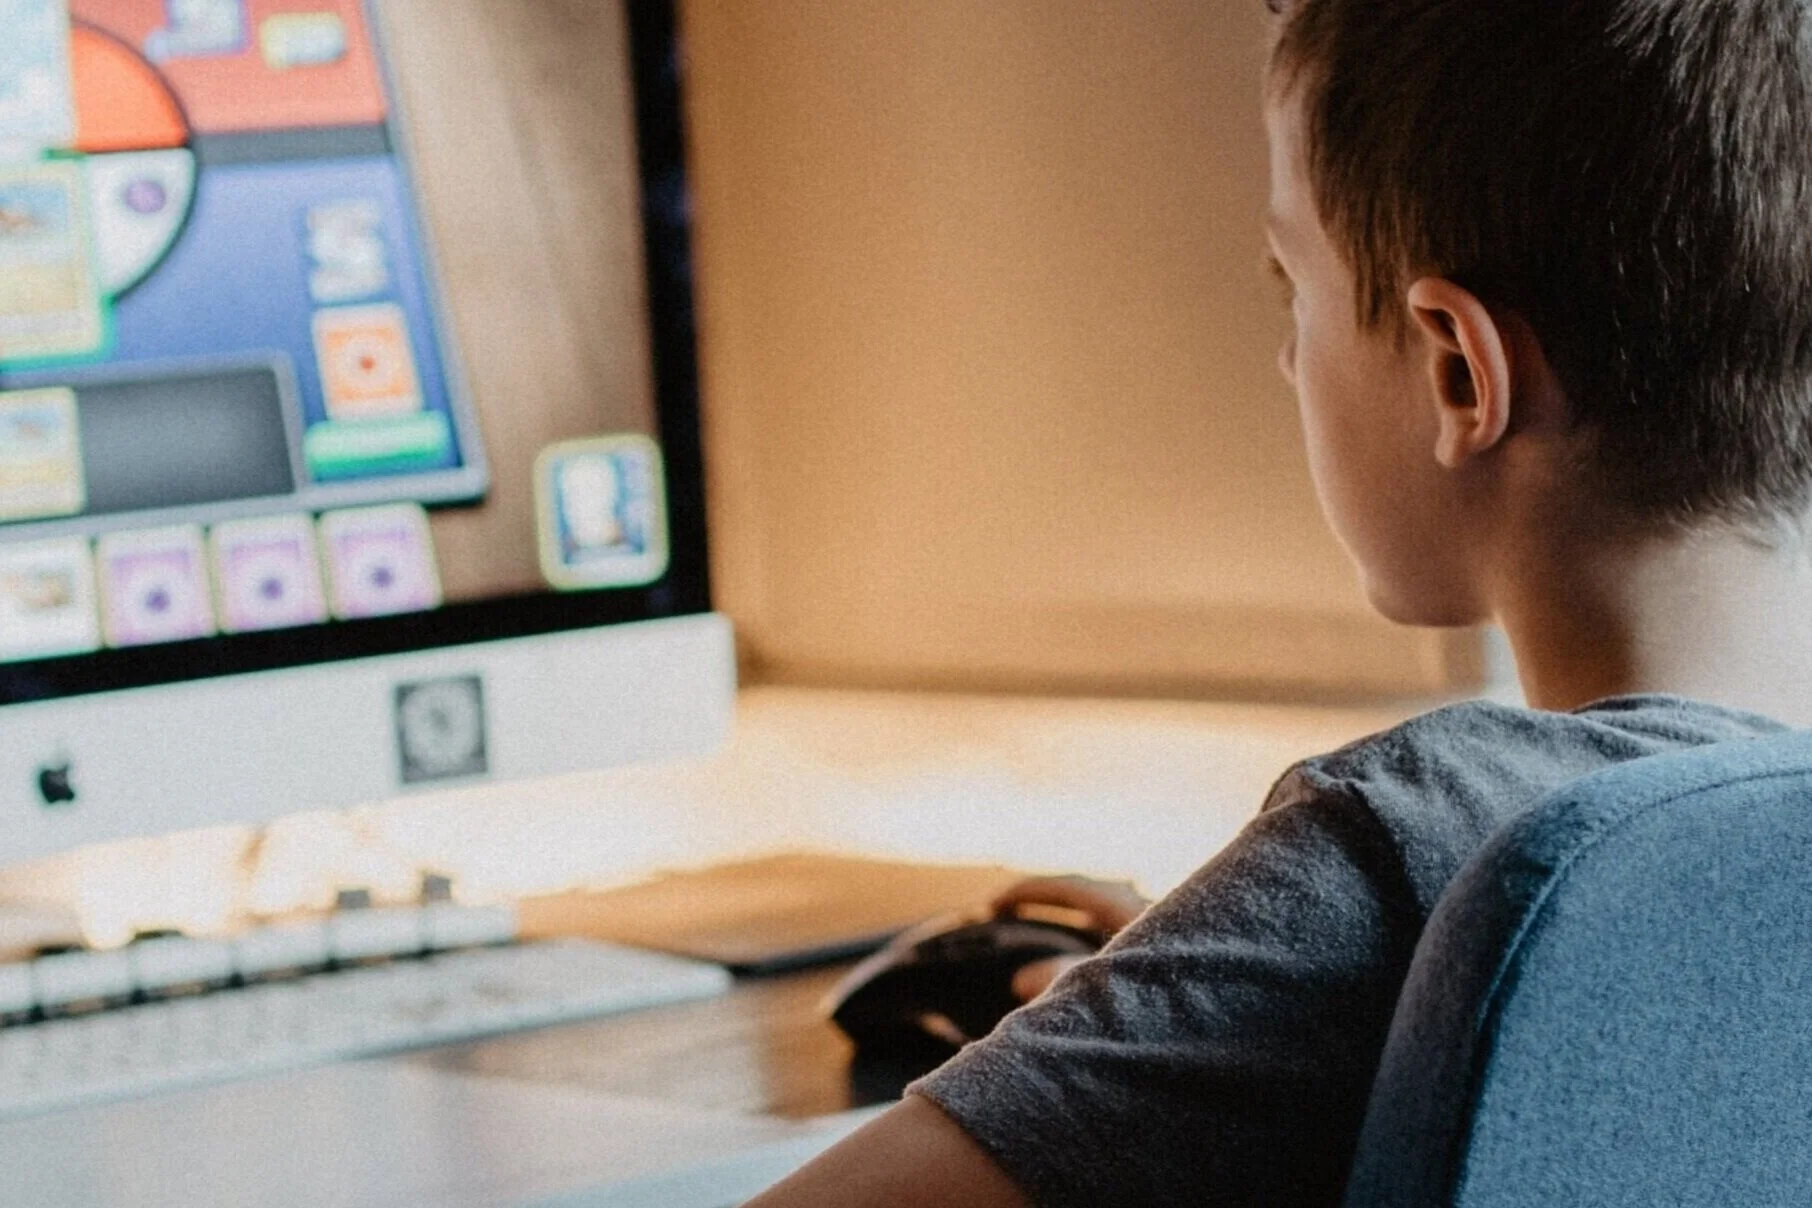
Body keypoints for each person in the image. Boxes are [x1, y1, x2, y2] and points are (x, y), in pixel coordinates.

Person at [749, 0, 1812, 1203]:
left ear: (1459, 371)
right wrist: (1203, 989)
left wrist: (1279, 948)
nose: (1288, 361)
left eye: (1287, 286)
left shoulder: (1401, 852)